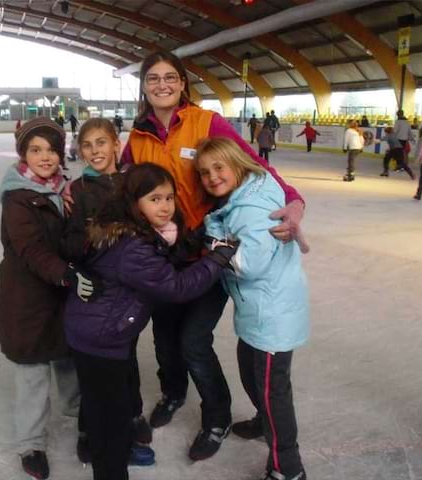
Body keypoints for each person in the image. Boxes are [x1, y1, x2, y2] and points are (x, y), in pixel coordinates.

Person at [120, 50, 305, 461]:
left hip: (208, 251)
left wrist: (294, 200)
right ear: (144, 86)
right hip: (162, 255)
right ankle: (172, 393)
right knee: (165, 338)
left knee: (193, 341)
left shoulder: (206, 122)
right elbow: (123, 190)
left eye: (170, 77)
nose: (162, 85)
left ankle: (216, 416)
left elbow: (252, 164)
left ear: (183, 83)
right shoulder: (136, 138)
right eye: (153, 79)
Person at [64, 162, 238, 480]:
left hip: (100, 332)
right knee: (111, 422)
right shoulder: (134, 247)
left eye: (169, 198)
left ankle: (101, 445)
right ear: (135, 203)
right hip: (101, 340)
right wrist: (218, 258)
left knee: (105, 406)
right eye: (154, 199)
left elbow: (167, 260)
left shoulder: (133, 230)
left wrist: (199, 236)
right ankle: (111, 467)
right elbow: (176, 286)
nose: (165, 206)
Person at [197, 137, 309, 480]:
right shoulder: (246, 195)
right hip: (260, 310)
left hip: (271, 315)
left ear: (236, 164)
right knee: (250, 372)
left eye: (219, 167)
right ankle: (264, 420)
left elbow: (248, 265)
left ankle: (286, 466)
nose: (212, 177)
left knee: (272, 390)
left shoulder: (249, 209)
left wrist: (211, 241)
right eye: (204, 172)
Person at [0, 117, 93, 480]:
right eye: (35, 150)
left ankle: (82, 421)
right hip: (27, 298)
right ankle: (31, 443)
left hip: (62, 294)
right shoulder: (17, 198)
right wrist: (66, 273)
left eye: (51, 149)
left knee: (70, 361)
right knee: (33, 371)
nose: (45, 156)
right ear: (23, 154)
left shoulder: (67, 191)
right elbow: (30, 249)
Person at [63, 118, 155, 466]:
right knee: (99, 366)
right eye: (87, 145)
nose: (94, 151)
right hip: (99, 292)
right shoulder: (81, 189)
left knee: (126, 356)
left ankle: (131, 415)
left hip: (129, 290)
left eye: (101, 143)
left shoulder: (133, 182)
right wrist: (92, 235)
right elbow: (69, 243)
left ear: (117, 143)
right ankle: (91, 429)